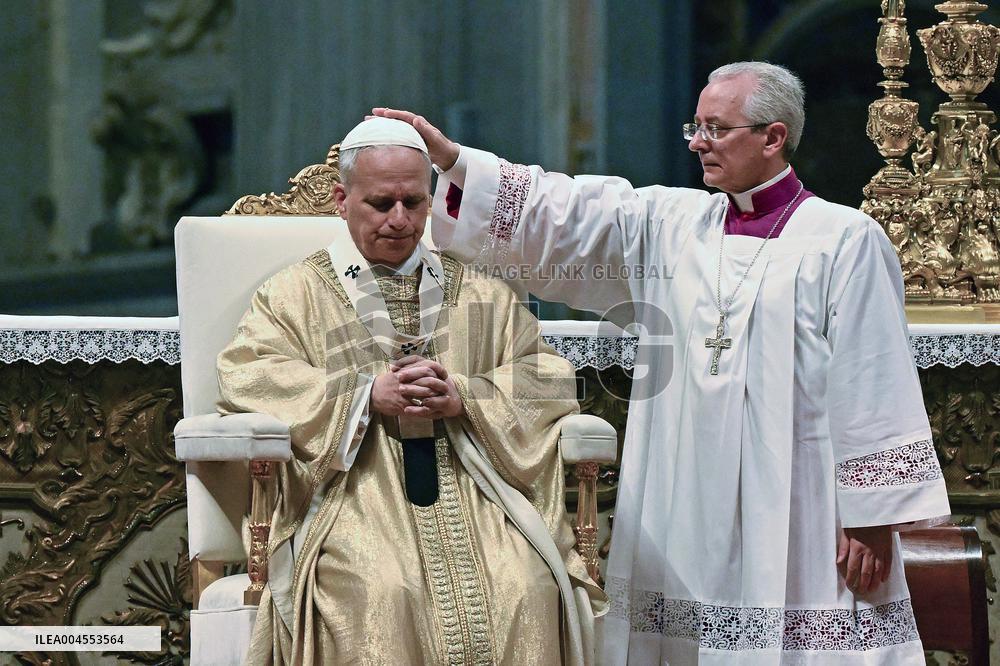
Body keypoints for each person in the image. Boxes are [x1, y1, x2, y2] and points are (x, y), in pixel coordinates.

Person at [376, 60, 951, 665]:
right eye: (694, 127)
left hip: (795, 494)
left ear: (773, 137)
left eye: (717, 128)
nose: (699, 142)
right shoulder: (670, 224)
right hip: (684, 486)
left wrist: (871, 517)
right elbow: (563, 214)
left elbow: (872, 377)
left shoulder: (844, 239)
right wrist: (454, 162)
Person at [216, 117, 605, 665]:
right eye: (380, 204)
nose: (400, 221)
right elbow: (249, 373)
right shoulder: (294, 294)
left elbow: (546, 374)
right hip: (355, 494)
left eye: (414, 203)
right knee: (383, 591)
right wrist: (365, 394)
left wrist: (466, 397)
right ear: (341, 200)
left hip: (477, 491)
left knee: (524, 586)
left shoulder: (480, 291)